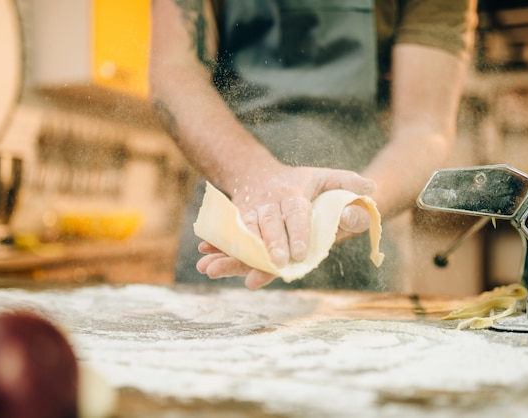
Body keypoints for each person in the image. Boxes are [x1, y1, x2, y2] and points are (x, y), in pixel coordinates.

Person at [149, 0, 478, 291]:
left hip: (367, 223)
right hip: (237, 216)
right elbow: (174, 69)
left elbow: (423, 128)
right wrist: (253, 175)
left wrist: (349, 207)